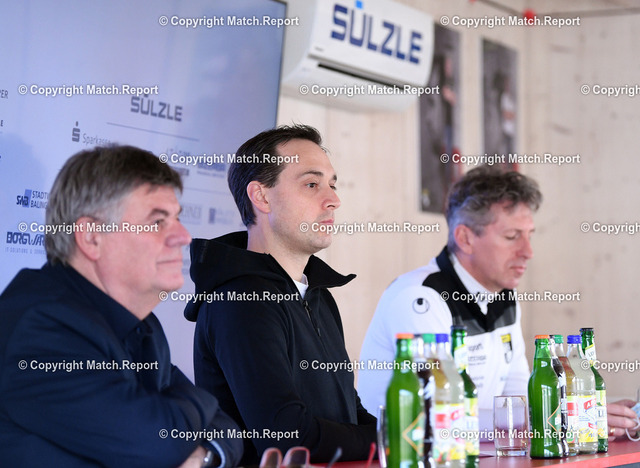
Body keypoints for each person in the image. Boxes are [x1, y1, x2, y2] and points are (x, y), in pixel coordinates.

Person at [0, 145, 242, 468]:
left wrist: (203, 455)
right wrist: (199, 405)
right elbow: (156, 444)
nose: (184, 236)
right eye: (158, 221)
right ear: (92, 238)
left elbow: (227, 430)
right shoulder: (41, 328)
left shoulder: (142, 324)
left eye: (177, 219)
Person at [184, 124, 376, 465]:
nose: (334, 200)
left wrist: (413, 435)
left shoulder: (319, 296)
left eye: (332, 185)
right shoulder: (241, 301)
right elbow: (288, 436)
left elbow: (349, 410)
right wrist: (388, 438)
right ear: (261, 197)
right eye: (312, 184)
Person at [359, 166, 540, 432]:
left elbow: (516, 388)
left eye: (529, 236)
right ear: (465, 239)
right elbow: (440, 413)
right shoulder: (419, 297)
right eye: (512, 237)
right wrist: (534, 422)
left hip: (473, 449)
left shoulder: (504, 294)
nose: (528, 251)